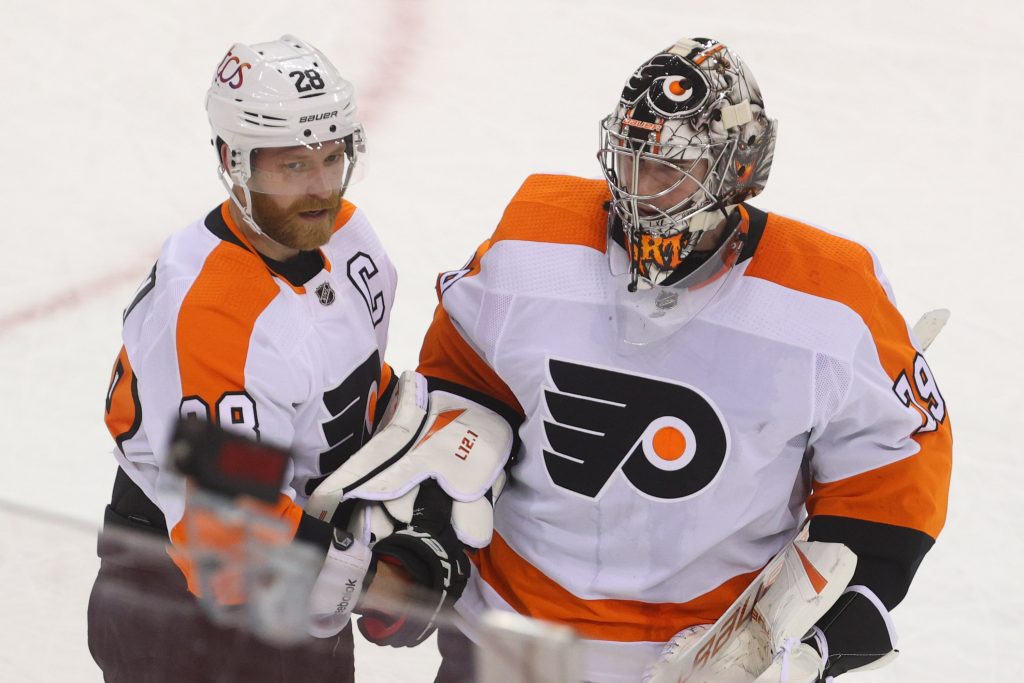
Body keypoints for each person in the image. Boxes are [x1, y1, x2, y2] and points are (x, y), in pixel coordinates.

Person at [410, 37, 952, 682]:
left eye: (670, 171)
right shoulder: (532, 246)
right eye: (631, 161)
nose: (638, 192)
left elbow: (890, 485)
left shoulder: (830, 302)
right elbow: (459, 392)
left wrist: (810, 644)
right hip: (502, 638)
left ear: (737, 171)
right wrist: (427, 542)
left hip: (701, 656)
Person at [88, 34, 461, 682]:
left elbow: (352, 393)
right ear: (235, 161)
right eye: (292, 166)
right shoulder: (214, 315)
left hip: (299, 569)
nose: (320, 188)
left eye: (331, 157)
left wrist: (419, 485)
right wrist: (378, 584)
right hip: (179, 609)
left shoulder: (349, 238)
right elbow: (230, 548)